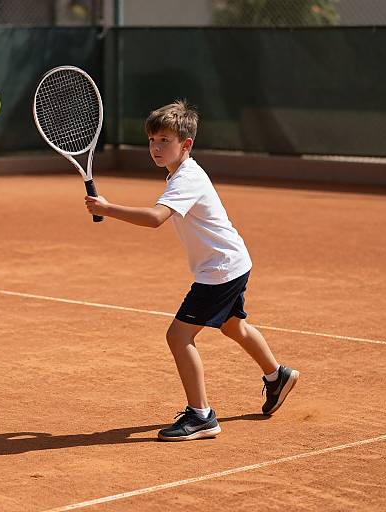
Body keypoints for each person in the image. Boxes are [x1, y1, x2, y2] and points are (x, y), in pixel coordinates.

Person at [85, 99, 299, 441]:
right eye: (152, 140)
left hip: (219, 270)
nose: (156, 148)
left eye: (165, 141)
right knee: (233, 327)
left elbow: (156, 219)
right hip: (232, 262)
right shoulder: (181, 174)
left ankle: (201, 416)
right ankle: (277, 376)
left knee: (178, 336)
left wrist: (108, 208)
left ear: (186, 144)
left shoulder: (187, 178)